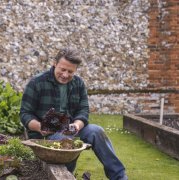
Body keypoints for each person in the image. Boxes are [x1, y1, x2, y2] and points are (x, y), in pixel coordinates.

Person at [20, 47, 128, 180]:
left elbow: (83, 110)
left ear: (76, 70)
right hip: (46, 135)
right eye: (62, 69)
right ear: (55, 64)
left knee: (96, 131)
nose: (65, 75)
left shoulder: (78, 84)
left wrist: (77, 125)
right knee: (64, 140)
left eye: (70, 71)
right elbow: (25, 114)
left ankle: (119, 177)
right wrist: (40, 126)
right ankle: (67, 176)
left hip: (70, 128)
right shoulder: (36, 83)